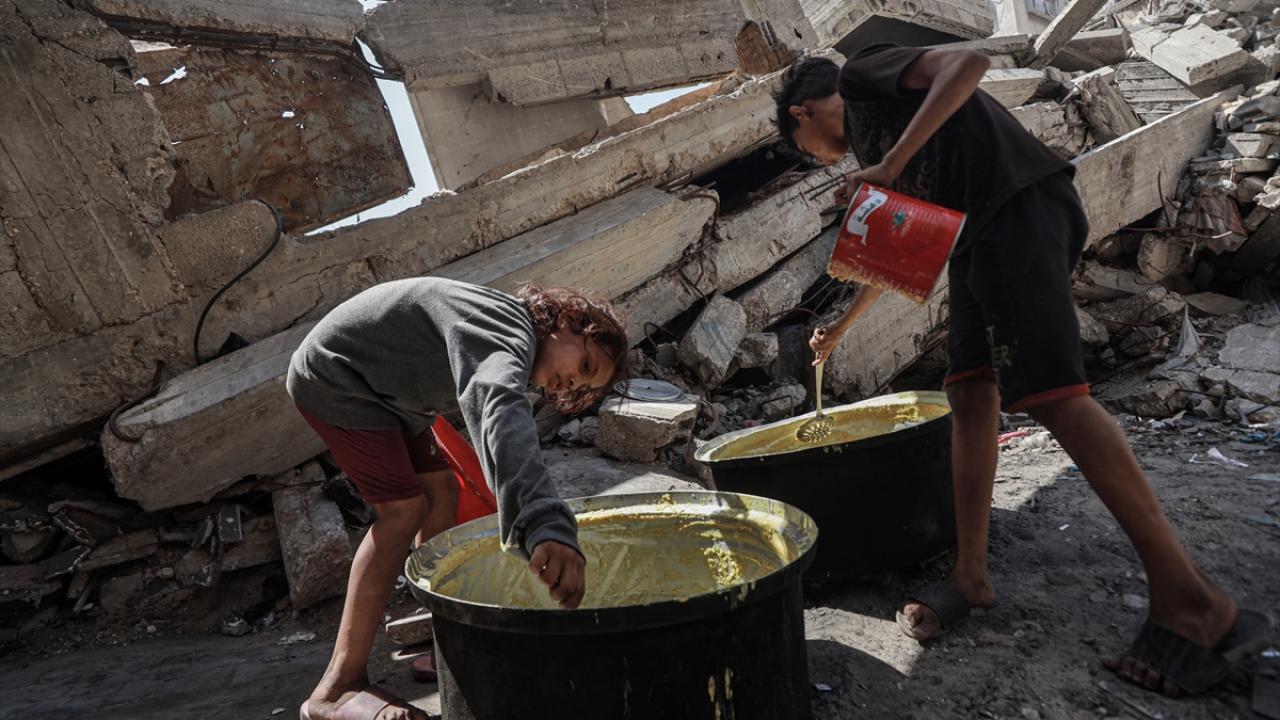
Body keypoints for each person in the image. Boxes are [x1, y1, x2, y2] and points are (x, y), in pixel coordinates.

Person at [773, 48, 1271, 697]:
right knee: (968, 392)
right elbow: (903, 251)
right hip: (977, 237)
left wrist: (889, 167)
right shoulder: (880, 141)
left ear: (802, 114)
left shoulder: (862, 77)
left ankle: (1192, 600)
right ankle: (970, 575)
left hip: (1018, 209)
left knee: (1054, 396)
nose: (822, 161)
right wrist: (841, 327)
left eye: (807, 152)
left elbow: (967, 63)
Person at [287, 277, 628, 720]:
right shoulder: (506, 327)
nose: (569, 385)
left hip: (390, 395)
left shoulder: (504, 329)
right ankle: (336, 689)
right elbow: (499, 410)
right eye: (584, 364)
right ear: (566, 321)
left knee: (441, 492)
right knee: (403, 512)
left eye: (581, 386)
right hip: (336, 377)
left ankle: (445, 641)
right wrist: (545, 522)